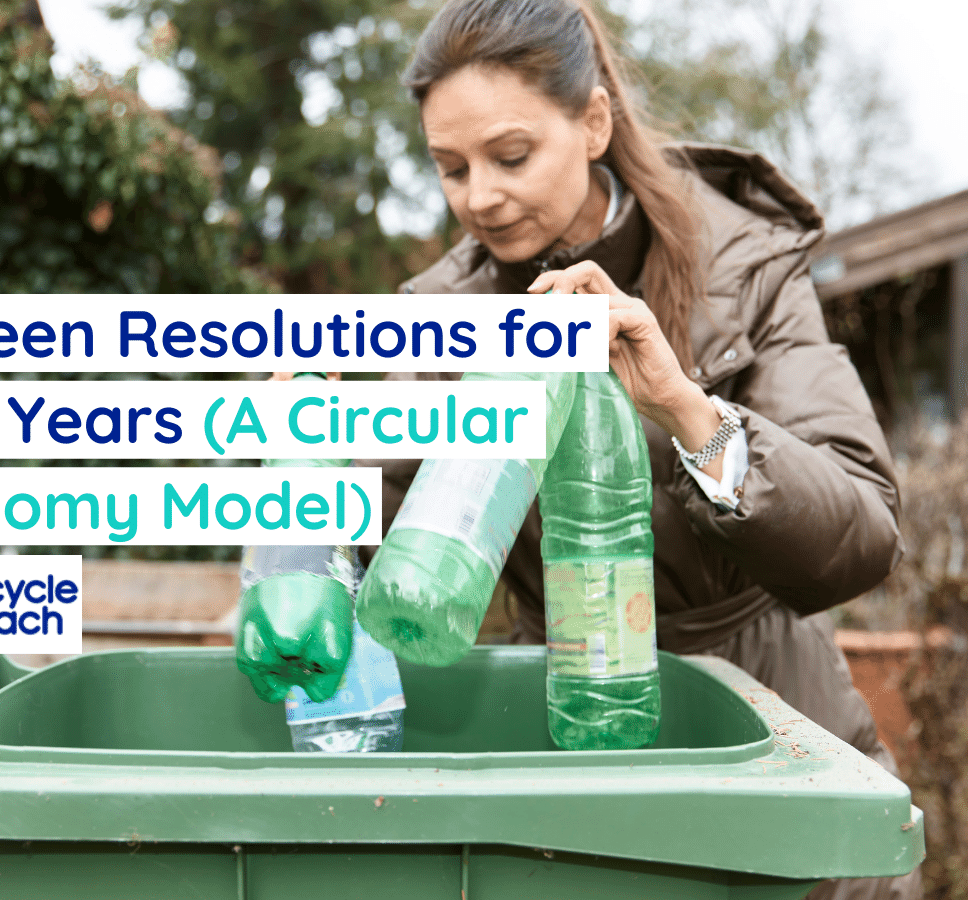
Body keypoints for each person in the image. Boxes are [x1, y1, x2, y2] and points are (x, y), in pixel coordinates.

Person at [356, 2, 919, 898]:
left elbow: (861, 540)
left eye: (509, 157)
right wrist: (310, 453)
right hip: (570, 758)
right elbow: (377, 570)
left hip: (770, 748)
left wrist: (684, 408)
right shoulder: (437, 322)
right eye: (449, 168)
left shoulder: (745, 267)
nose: (479, 198)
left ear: (593, 122)